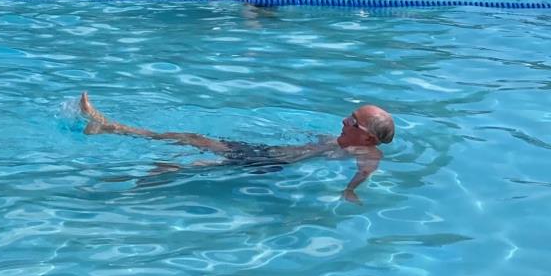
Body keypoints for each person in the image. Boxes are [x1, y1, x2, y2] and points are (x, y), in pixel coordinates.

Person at [77, 93, 394, 203]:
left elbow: (365, 172)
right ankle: (111, 127)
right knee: (191, 138)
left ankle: (143, 181)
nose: (343, 121)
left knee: (193, 164)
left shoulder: (367, 153)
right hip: (265, 152)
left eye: (352, 121)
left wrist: (351, 190)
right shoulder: (341, 141)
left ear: (367, 137)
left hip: (266, 164)